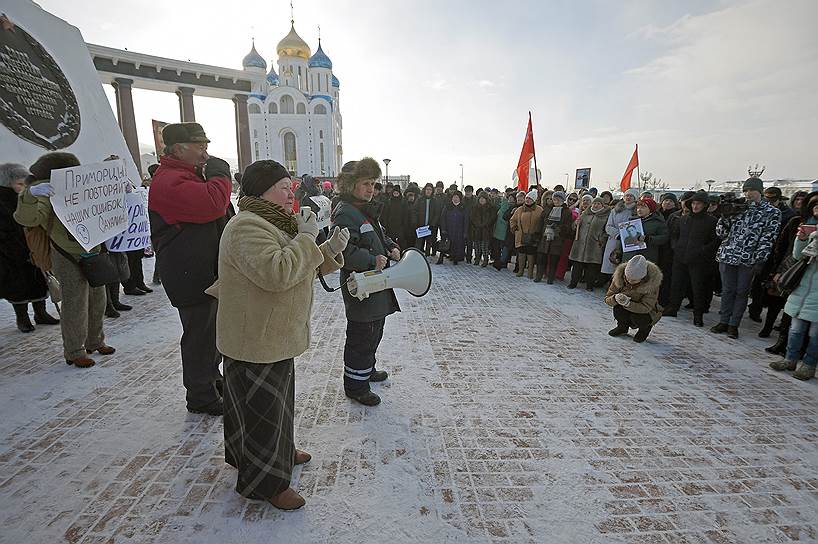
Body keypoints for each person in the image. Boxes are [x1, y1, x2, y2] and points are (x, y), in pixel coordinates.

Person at [206, 159, 347, 510]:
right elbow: (280, 273)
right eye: (284, 187)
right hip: (255, 339)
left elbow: (297, 268)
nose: (291, 193)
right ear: (262, 190)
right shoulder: (246, 227)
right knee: (263, 414)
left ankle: (276, 453)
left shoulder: (272, 223)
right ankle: (268, 482)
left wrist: (328, 252)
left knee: (274, 407)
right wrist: (307, 237)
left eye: (291, 186)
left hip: (272, 335)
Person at [149, 122, 233, 415]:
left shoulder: (186, 175)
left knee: (211, 334)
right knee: (199, 337)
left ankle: (211, 380)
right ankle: (200, 396)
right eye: (200, 146)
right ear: (179, 148)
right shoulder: (169, 181)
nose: (205, 153)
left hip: (201, 271)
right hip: (190, 274)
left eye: (206, 146)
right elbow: (213, 204)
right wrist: (222, 174)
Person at [13, 153, 113, 367]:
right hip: (65, 251)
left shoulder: (80, 183)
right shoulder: (46, 189)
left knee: (98, 298)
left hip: (91, 247)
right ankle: (74, 351)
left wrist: (116, 193)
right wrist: (29, 195)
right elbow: (27, 218)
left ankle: (95, 341)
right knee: (75, 302)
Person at [331, 158, 400, 406]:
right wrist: (372, 260)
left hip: (374, 285)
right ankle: (355, 385)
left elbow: (377, 237)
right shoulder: (346, 213)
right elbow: (342, 252)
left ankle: (366, 370)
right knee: (361, 336)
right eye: (365, 183)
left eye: (373, 183)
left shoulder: (364, 210)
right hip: (361, 286)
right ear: (351, 185)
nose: (371, 189)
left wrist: (390, 246)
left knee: (374, 332)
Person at [711, 177, 781, 339]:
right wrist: (725, 216)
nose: (748, 194)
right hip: (728, 255)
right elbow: (721, 234)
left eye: (751, 190)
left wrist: (760, 259)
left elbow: (768, 238)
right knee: (727, 290)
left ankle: (734, 324)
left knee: (741, 292)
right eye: (745, 190)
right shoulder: (739, 207)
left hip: (749, 258)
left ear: (760, 191)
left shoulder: (771, 212)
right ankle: (723, 321)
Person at [0, 163, 60, 333]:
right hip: (12, 255)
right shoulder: (3, 202)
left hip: (34, 249)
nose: (23, 187)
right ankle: (22, 318)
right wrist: (15, 251)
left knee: (39, 282)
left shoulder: (29, 198)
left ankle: (40, 313)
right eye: (19, 184)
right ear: (7, 184)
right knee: (19, 288)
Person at [769, 224, 818, 381]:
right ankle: (789, 360)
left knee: (815, 334)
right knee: (795, 330)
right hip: (802, 290)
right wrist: (802, 238)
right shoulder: (815, 235)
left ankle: (809, 365)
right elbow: (797, 256)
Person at [663, 191, 718, 327]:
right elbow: (675, 235)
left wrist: (702, 251)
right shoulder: (683, 219)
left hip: (699, 260)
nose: (695, 206)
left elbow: (715, 241)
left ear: (705, 205)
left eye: (698, 203)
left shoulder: (712, 221)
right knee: (676, 284)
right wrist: (676, 247)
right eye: (693, 203)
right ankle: (672, 308)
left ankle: (698, 315)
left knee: (697, 288)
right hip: (680, 257)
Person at [605, 255, 663, 343]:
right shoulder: (619, 278)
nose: (629, 281)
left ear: (643, 278)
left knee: (639, 318)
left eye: (634, 280)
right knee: (618, 309)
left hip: (647, 312)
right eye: (627, 278)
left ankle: (644, 330)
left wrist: (628, 304)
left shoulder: (652, 284)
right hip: (627, 306)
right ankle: (622, 327)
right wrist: (615, 298)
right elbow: (607, 298)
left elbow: (646, 307)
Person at [569, 197, 610, 290]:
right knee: (577, 265)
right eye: (594, 203)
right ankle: (573, 282)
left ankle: (589, 285)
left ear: (602, 206)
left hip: (595, 245)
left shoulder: (605, 216)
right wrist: (576, 223)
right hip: (580, 243)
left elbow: (606, 231)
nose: (595, 205)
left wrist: (601, 239)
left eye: (598, 204)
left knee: (592, 267)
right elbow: (574, 228)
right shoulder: (585, 214)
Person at [536, 191, 572, 283]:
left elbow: (568, 226)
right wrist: (538, 234)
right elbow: (541, 222)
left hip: (557, 239)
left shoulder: (567, 211)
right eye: (555, 199)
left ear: (563, 200)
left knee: (553, 260)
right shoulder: (547, 209)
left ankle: (550, 278)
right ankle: (539, 276)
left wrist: (559, 228)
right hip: (545, 237)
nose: (556, 201)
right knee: (541, 259)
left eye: (558, 199)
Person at [601, 189, 638, 280]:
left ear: (635, 198)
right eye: (627, 196)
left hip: (630, 241)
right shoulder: (615, 210)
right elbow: (608, 226)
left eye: (631, 196)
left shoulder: (637, 211)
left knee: (625, 265)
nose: (628, 197)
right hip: (615, 240)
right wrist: (617, 234)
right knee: (612, 262)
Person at [623, 198, 669, 265]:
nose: (639, 209)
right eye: (638, 207)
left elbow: (664, 238)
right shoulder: (631, 221)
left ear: (651, 209)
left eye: (643, 207)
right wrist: (618, 251)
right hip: (629, 256)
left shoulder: (658, 222)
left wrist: (648, 239)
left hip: (647, 257)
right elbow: (623, 239)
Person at [510, 189, 543, 279]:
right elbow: (513, 220)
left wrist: (538, 232)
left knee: (531, 254)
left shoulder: (539, 210)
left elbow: (542, 222)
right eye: (527, 198)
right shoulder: (520, 209)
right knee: (521, 254)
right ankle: (521, 270)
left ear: (534, 200)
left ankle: (530, 272)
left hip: (533, 236)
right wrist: (514, 227)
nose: (528, 200)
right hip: (521, 235)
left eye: (530, 199)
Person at [439, 191, 469, 265]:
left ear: (460, 198)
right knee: (449, 243)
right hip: (449, 229)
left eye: (457, 197)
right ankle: (450, 256)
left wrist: (465, 231)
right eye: (454, 197)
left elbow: (466, 220)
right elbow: (443, 218)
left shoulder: (463, 207)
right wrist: (443, 228)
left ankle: (457, 258)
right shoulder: (447, 206)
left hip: (459, 230)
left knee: (458, 244)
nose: (455, 199)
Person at [415, 183, 443, 257]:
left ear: (432, 191)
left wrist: (433, 224)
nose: (428, 191)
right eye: (427, 189)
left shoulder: (435, 200)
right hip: (420, 225)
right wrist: (416, 222)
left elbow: (437, 213)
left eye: (430, 189)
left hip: (430, 226)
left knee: (429, 242)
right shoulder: (420, 200)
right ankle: (418, 256)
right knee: (419, 243)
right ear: (424, 190)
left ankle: (427, 256)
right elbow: (415, 211)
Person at [381, 185, 409, 251]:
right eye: (394, 193)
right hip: (391, 224)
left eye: (397, 193)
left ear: (399, 193)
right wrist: (386, 224)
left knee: (401, 240)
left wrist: (405, 224)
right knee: (391, 240)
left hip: (400, 224)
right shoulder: (389, 201)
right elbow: (386, 214)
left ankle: (402, 252)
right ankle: (393, 252)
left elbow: (406, 214)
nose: (396, 195)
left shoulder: (403, 202)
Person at [490, 191, 513, 270]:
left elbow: (505, 218)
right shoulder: (502, 205)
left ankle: (502, 262)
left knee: (504, 248)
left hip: (505, 231)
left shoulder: (510, 207)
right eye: (508, 198)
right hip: (498, 230)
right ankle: (498, 261)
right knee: (498, 248)